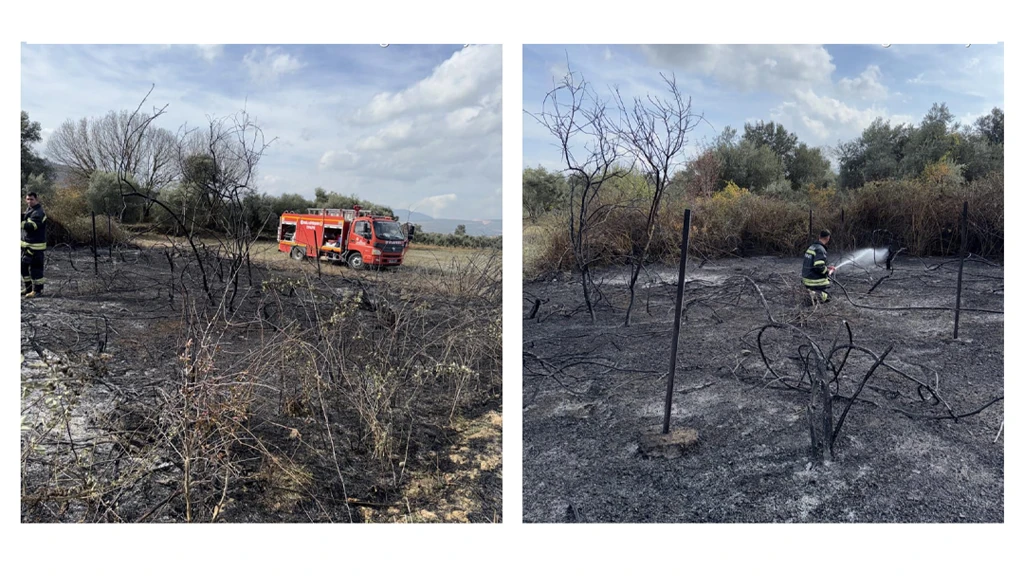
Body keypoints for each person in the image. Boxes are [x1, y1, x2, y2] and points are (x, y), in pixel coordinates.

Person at [22, 191, 48, 298]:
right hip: (27, 246)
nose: (29, 201)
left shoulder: (39, 212)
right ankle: (28, 288)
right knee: (23, 267)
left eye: (31, 199)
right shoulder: (30, 210)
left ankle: (37, 291)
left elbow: (32, 226)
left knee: (36, 269)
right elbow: (24, 217)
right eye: (28, 199)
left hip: (36, 247)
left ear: (36, 199)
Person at [802, 229, 836, 304]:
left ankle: (811, 292)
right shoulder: (820, 250)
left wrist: (827, 267)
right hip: (813, 281)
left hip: (806, 279)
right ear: (828, 238)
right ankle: (814, 295)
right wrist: (828, 271)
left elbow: (813, 263)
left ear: (819, 236)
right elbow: (818, 266)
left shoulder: (812, 247)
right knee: (828, 297)